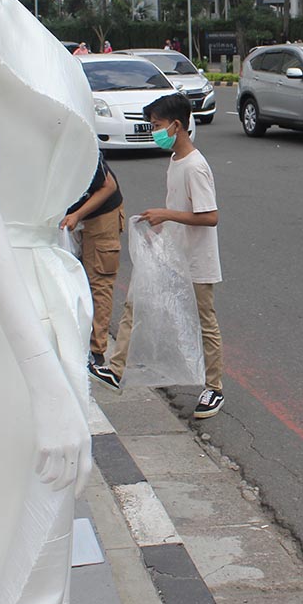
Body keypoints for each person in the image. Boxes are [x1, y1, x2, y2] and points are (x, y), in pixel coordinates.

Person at [94, 93, 225, 419]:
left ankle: (215, 387)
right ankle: (117, 368)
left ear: (177, 126)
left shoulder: (195, 166)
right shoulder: (176, 161)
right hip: (174, 253)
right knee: (135, 303)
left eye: (157, 125)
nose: (154, 131)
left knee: (204, 322)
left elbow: (210, 216)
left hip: (197, 259)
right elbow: (180, 208)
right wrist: (160, 230)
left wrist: (166, 215)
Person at [61, 154, 124, 371]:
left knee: (98, 280)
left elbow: (108, 187)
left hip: (101, 211)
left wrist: (77, 215)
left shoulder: (78, 145)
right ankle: (74, 341)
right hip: (70, 215)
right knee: (70, 279)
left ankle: (96, 352)